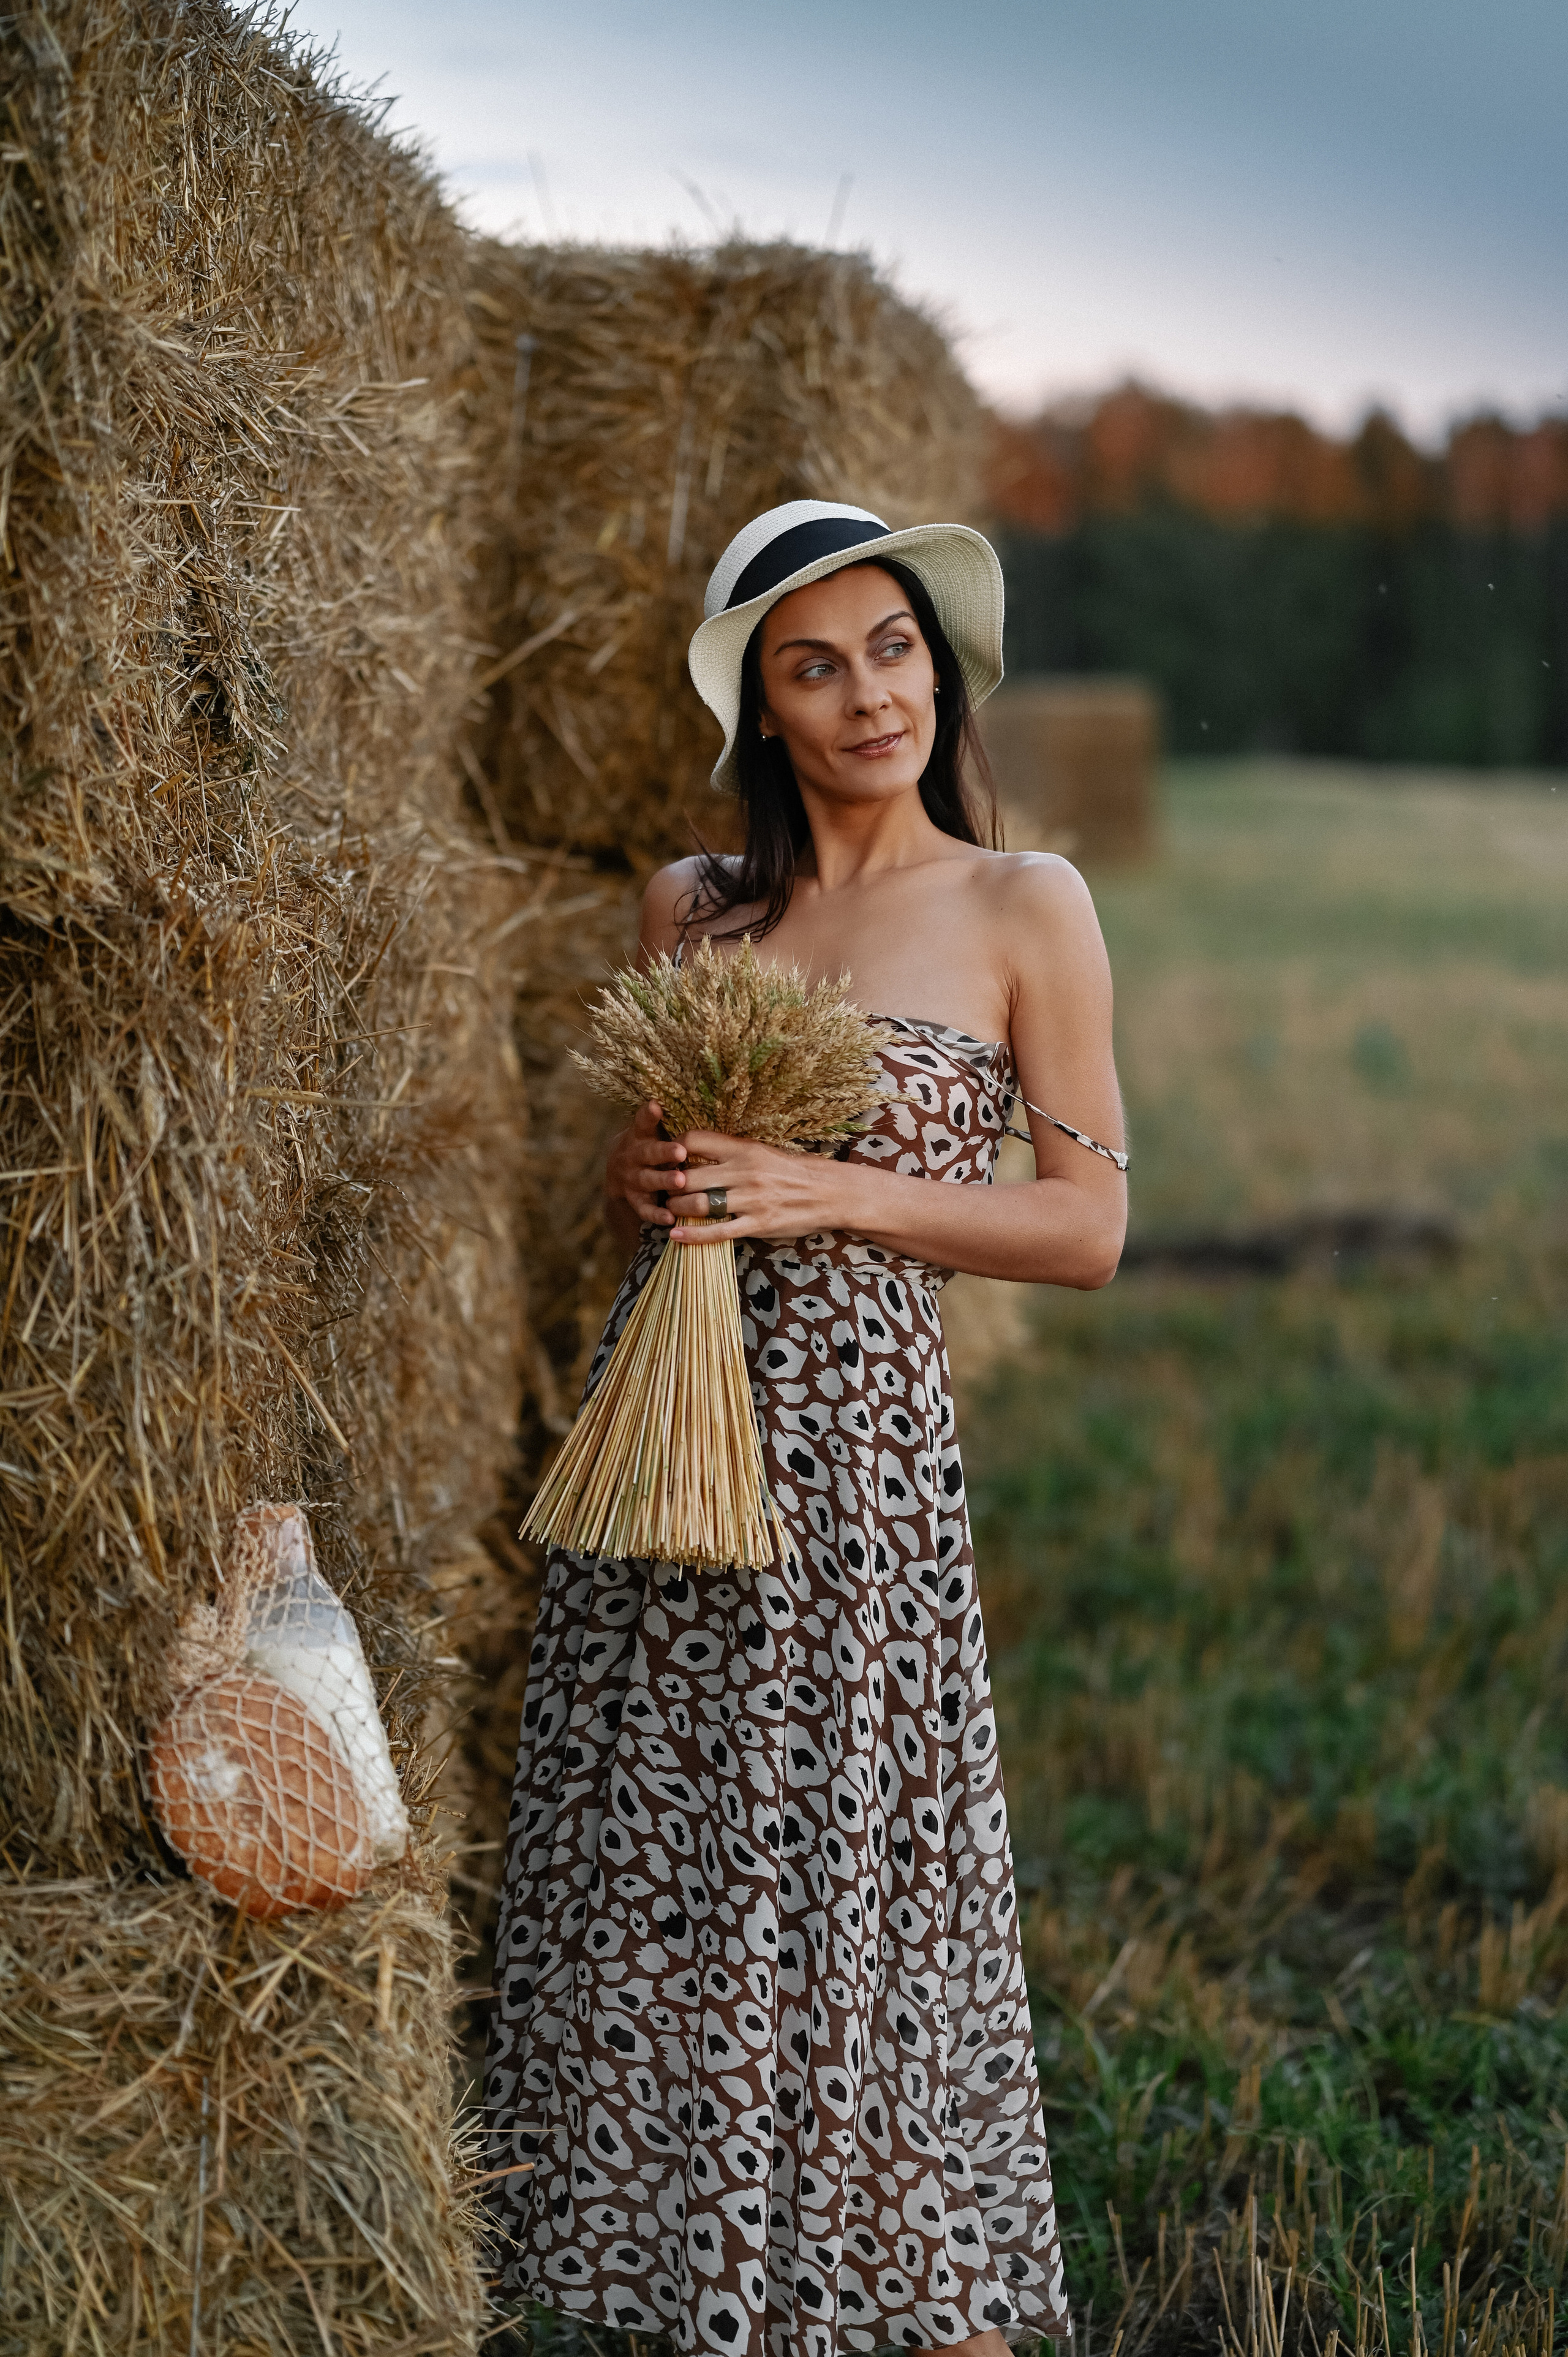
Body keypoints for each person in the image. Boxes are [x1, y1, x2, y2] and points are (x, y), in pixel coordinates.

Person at [485, 501, 1128, 2357]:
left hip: (859, 1485)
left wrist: (821, 1190)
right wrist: (652, 1178)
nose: (868, 696)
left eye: (894, 647)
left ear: (942, 663)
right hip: (670, 1458)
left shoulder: (1030, 905)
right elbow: (667, 1200)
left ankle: (926, 2308)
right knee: (665, 1893)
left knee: (856, 1911)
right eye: (814, 665)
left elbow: (1086, 1230)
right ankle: (694, 2298)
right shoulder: (696, 908)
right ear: (762, 709)